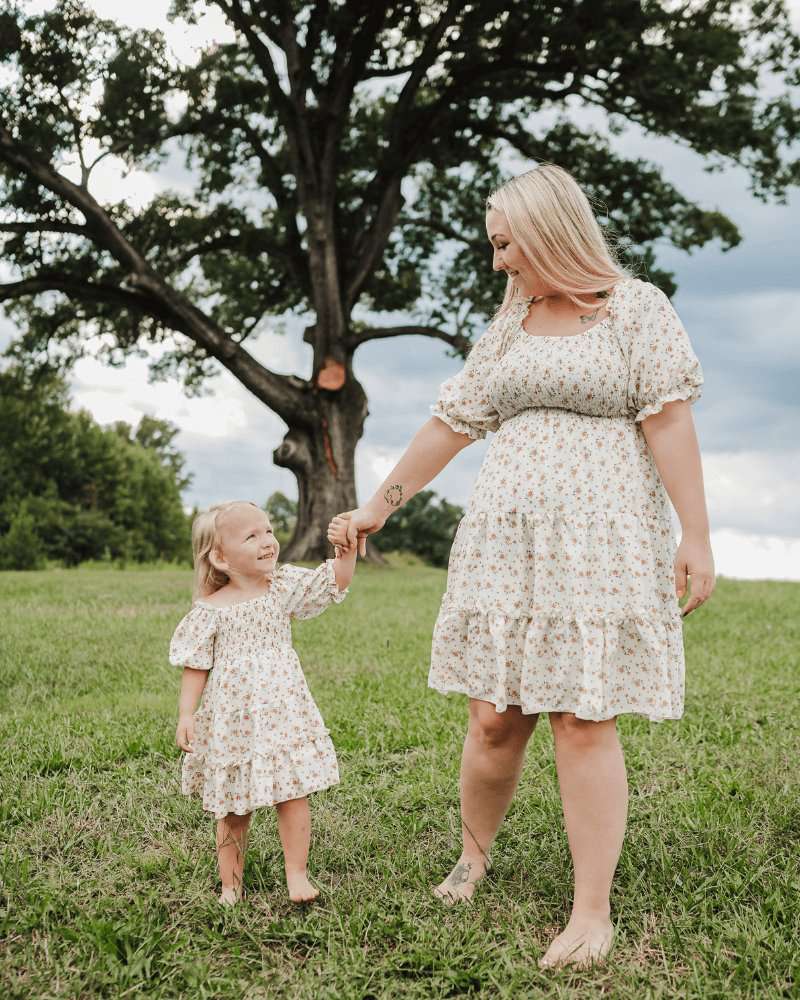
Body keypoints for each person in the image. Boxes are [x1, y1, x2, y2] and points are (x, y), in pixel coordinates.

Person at [328, 164, 715, 969]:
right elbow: (454, 419)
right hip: (506, 542)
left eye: (505, 243)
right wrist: (380, 505)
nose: (499, 260)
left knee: (582, 720)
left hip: (600, 546)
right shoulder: (512, 319)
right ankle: (472, 859)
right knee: (495, 716)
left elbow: (670, 423)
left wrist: (697, 536)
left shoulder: (635, 309)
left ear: (546, 230)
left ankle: (590, 912)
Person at [171, 500, 356, 905]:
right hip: (233, 721)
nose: (267, 540)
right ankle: (230, 885)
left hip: (282, 714)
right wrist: (187, 714)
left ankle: (297, 875)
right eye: (251, 536)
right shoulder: (211, 611)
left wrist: (347, 552)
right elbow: (195, 666)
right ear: (220, 557)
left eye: (269, 530)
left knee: (292, 794)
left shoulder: (282, 589)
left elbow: (333, 583)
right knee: (233, 809)